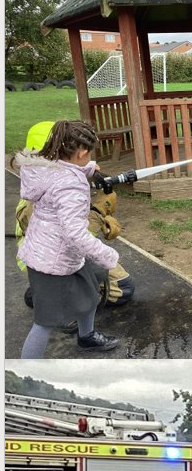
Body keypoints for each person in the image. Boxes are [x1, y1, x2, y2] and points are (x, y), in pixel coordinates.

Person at [16, 120, 121, 357]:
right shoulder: (70, 186)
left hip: (53, 252)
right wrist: (107, 254)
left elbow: (65, 171)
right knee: (45, 322)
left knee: (91, 288)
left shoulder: (46, 167)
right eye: (89, 154)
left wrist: (90, 168)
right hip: (52, 263)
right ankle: (24, 371)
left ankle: (86, 337)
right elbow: (74, 233)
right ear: (82, 151)